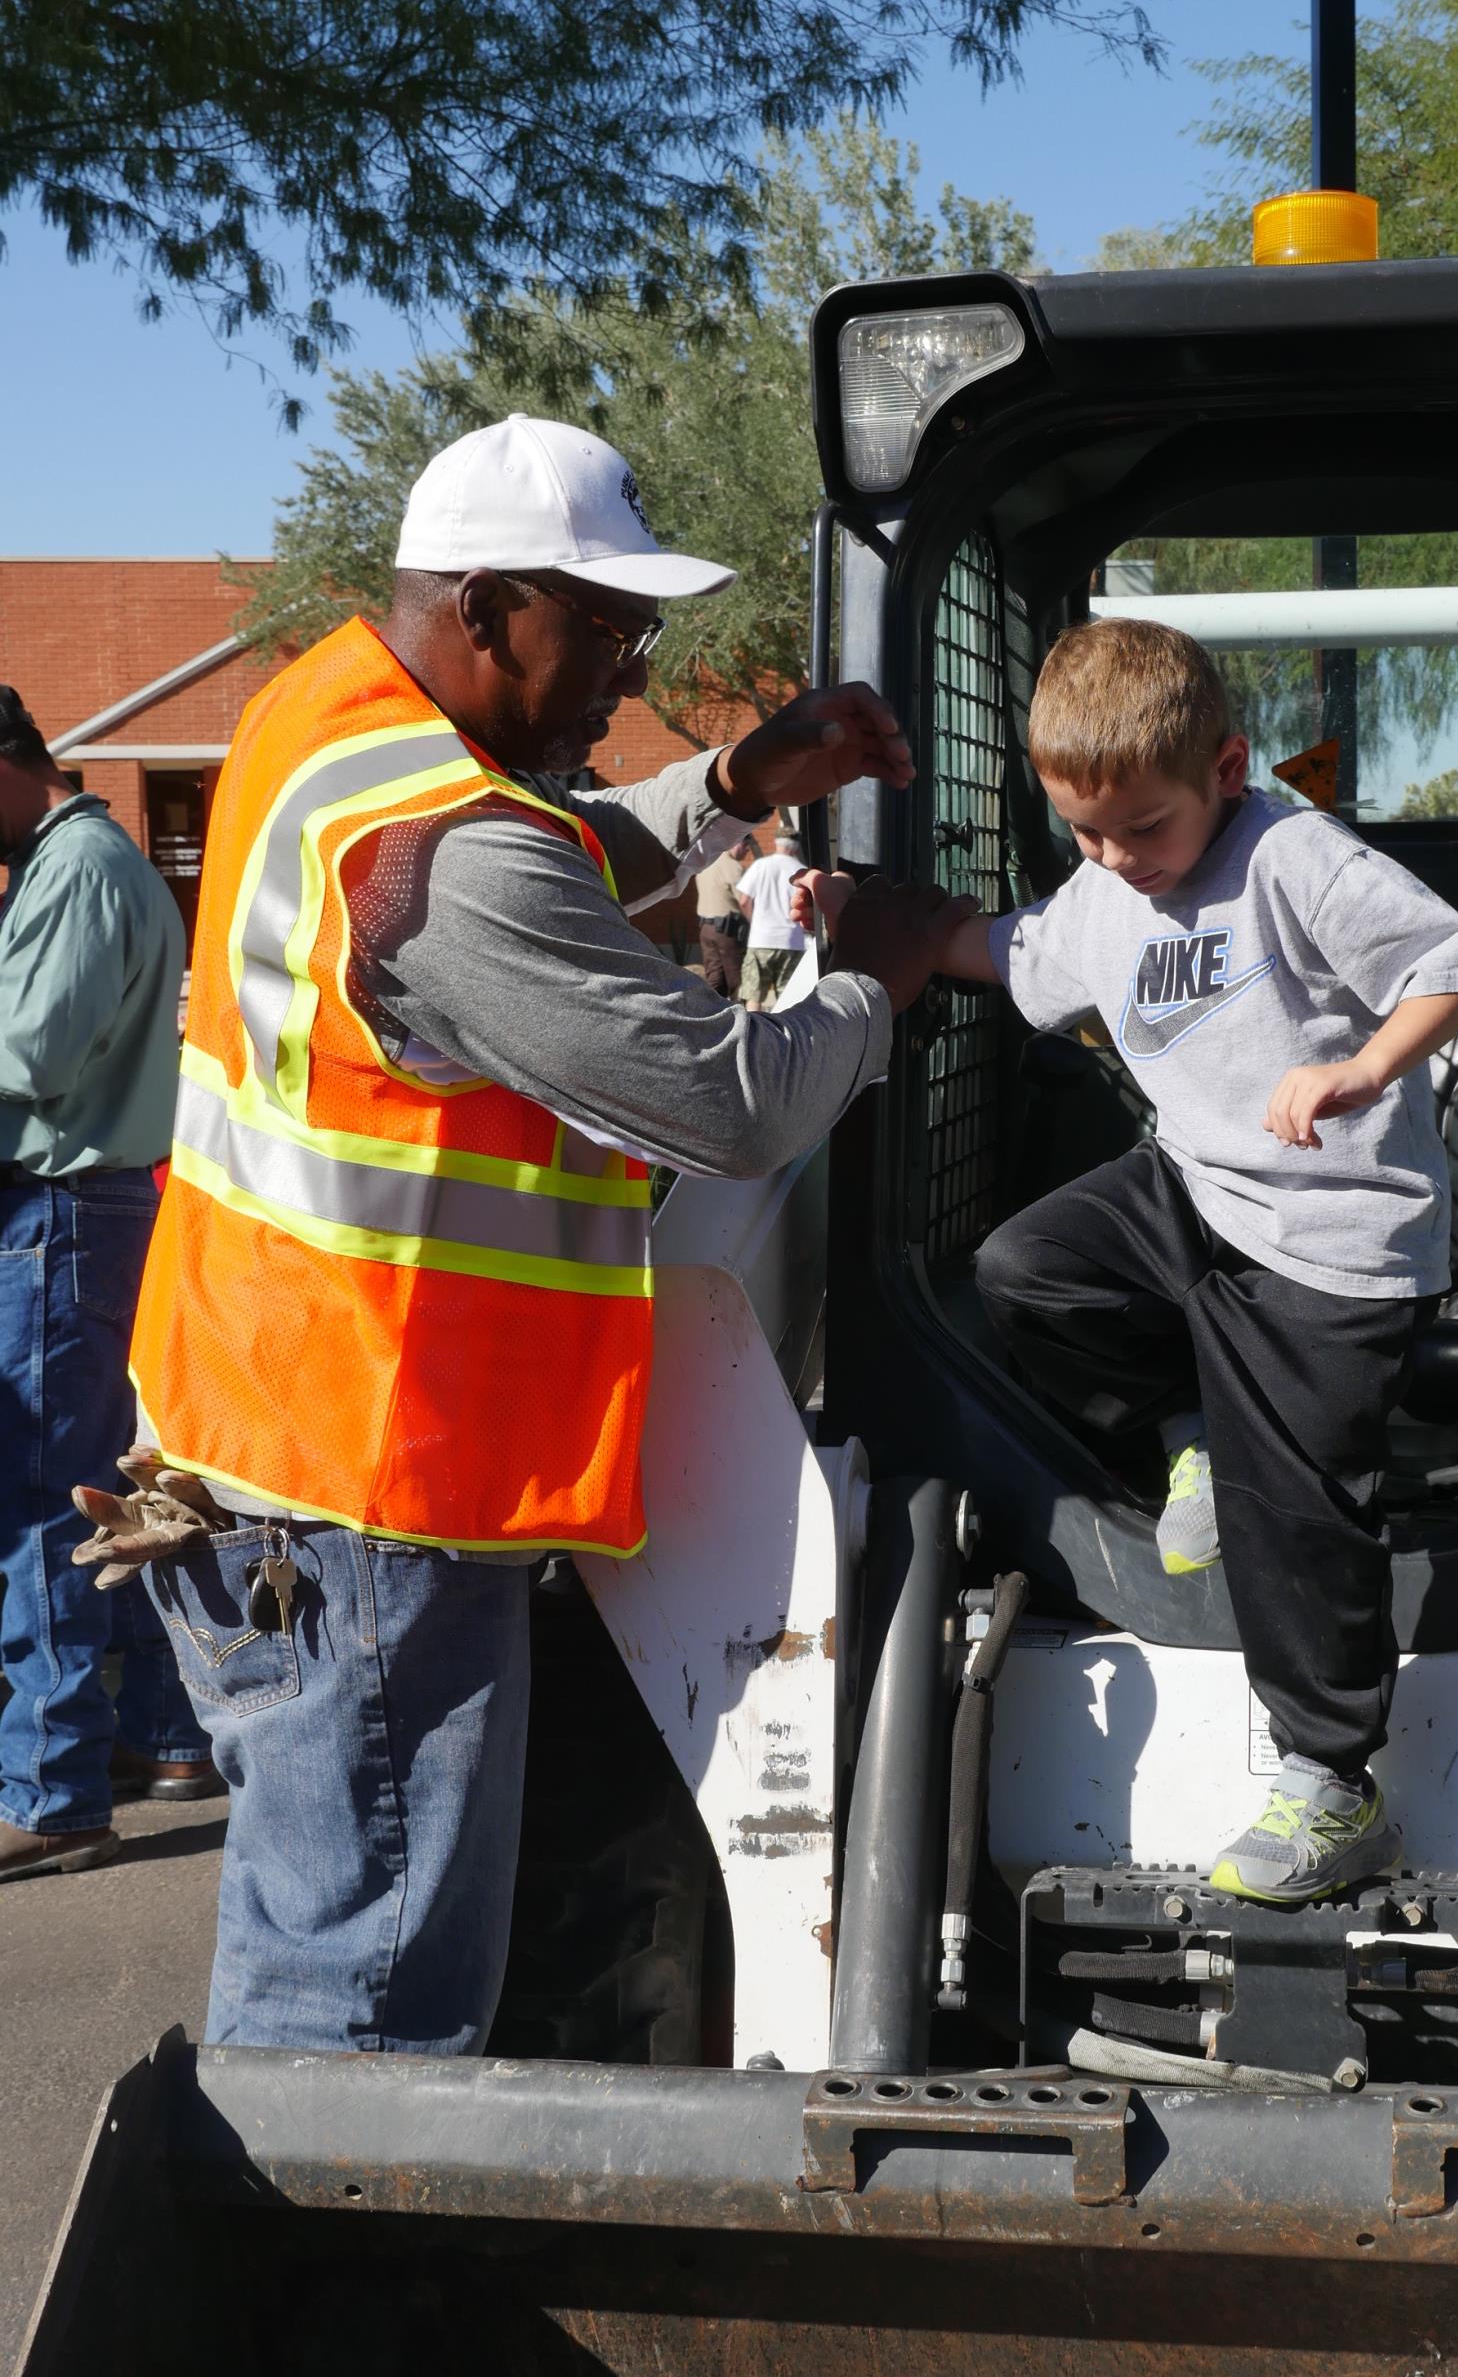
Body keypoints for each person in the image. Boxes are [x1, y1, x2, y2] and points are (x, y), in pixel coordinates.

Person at [83, 414, 963, 2051]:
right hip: (364, 1499)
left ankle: (301, 2268)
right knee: (365, 2019)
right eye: (613, 631)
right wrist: (878, 980)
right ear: (489, 609)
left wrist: (732, 782)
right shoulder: (445, 844)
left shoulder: (330, 725)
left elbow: (539, 864)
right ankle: (325, 2296)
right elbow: (729, 1100)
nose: (631, 674)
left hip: (264, 1458)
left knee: (327, 1962)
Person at [827, 619, 1458, 1907]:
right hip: (1196, 1186)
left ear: (1228, 769)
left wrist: (1361, 1066)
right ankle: (1184, 1424)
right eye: (1083, 831)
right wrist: (865, 914)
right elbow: (999, 951)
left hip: (1333, 1231)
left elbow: (1453, 963)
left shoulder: (1288, 857)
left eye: (1138, 827)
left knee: (1294, 1511)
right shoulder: (1103, 889)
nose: (1112, 859)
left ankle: (1332, 1782)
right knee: (1030, 1268)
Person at [0, 686, 218, 1883]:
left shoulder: (77, 866)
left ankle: (51, 1790)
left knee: (40, 1502)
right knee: (87, 1490)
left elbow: (31, 1050)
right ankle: (162, 1738)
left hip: (59, 1206)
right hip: (79, 1204)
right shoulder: (71, 860)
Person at [737, 830, 810, 1008]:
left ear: (777, 842)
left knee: (754, 995)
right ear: (795, 846)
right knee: (788, 996)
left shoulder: (760, 865)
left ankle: (753, 1034)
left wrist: (753, 922)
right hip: (792, 940)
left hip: (761, 939)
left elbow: (744, 900)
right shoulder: (800, 871)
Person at [693, 835, 755, 997]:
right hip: (726, 931)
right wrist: (754, 924)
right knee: (736, 979)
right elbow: (744, 900)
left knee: (715, 978)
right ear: (736, 843)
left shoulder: (706, 863)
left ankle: (712, 1014)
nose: (747, 850)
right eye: (746, 846)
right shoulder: (732, 866)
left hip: (705, 928)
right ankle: (740, 1015)